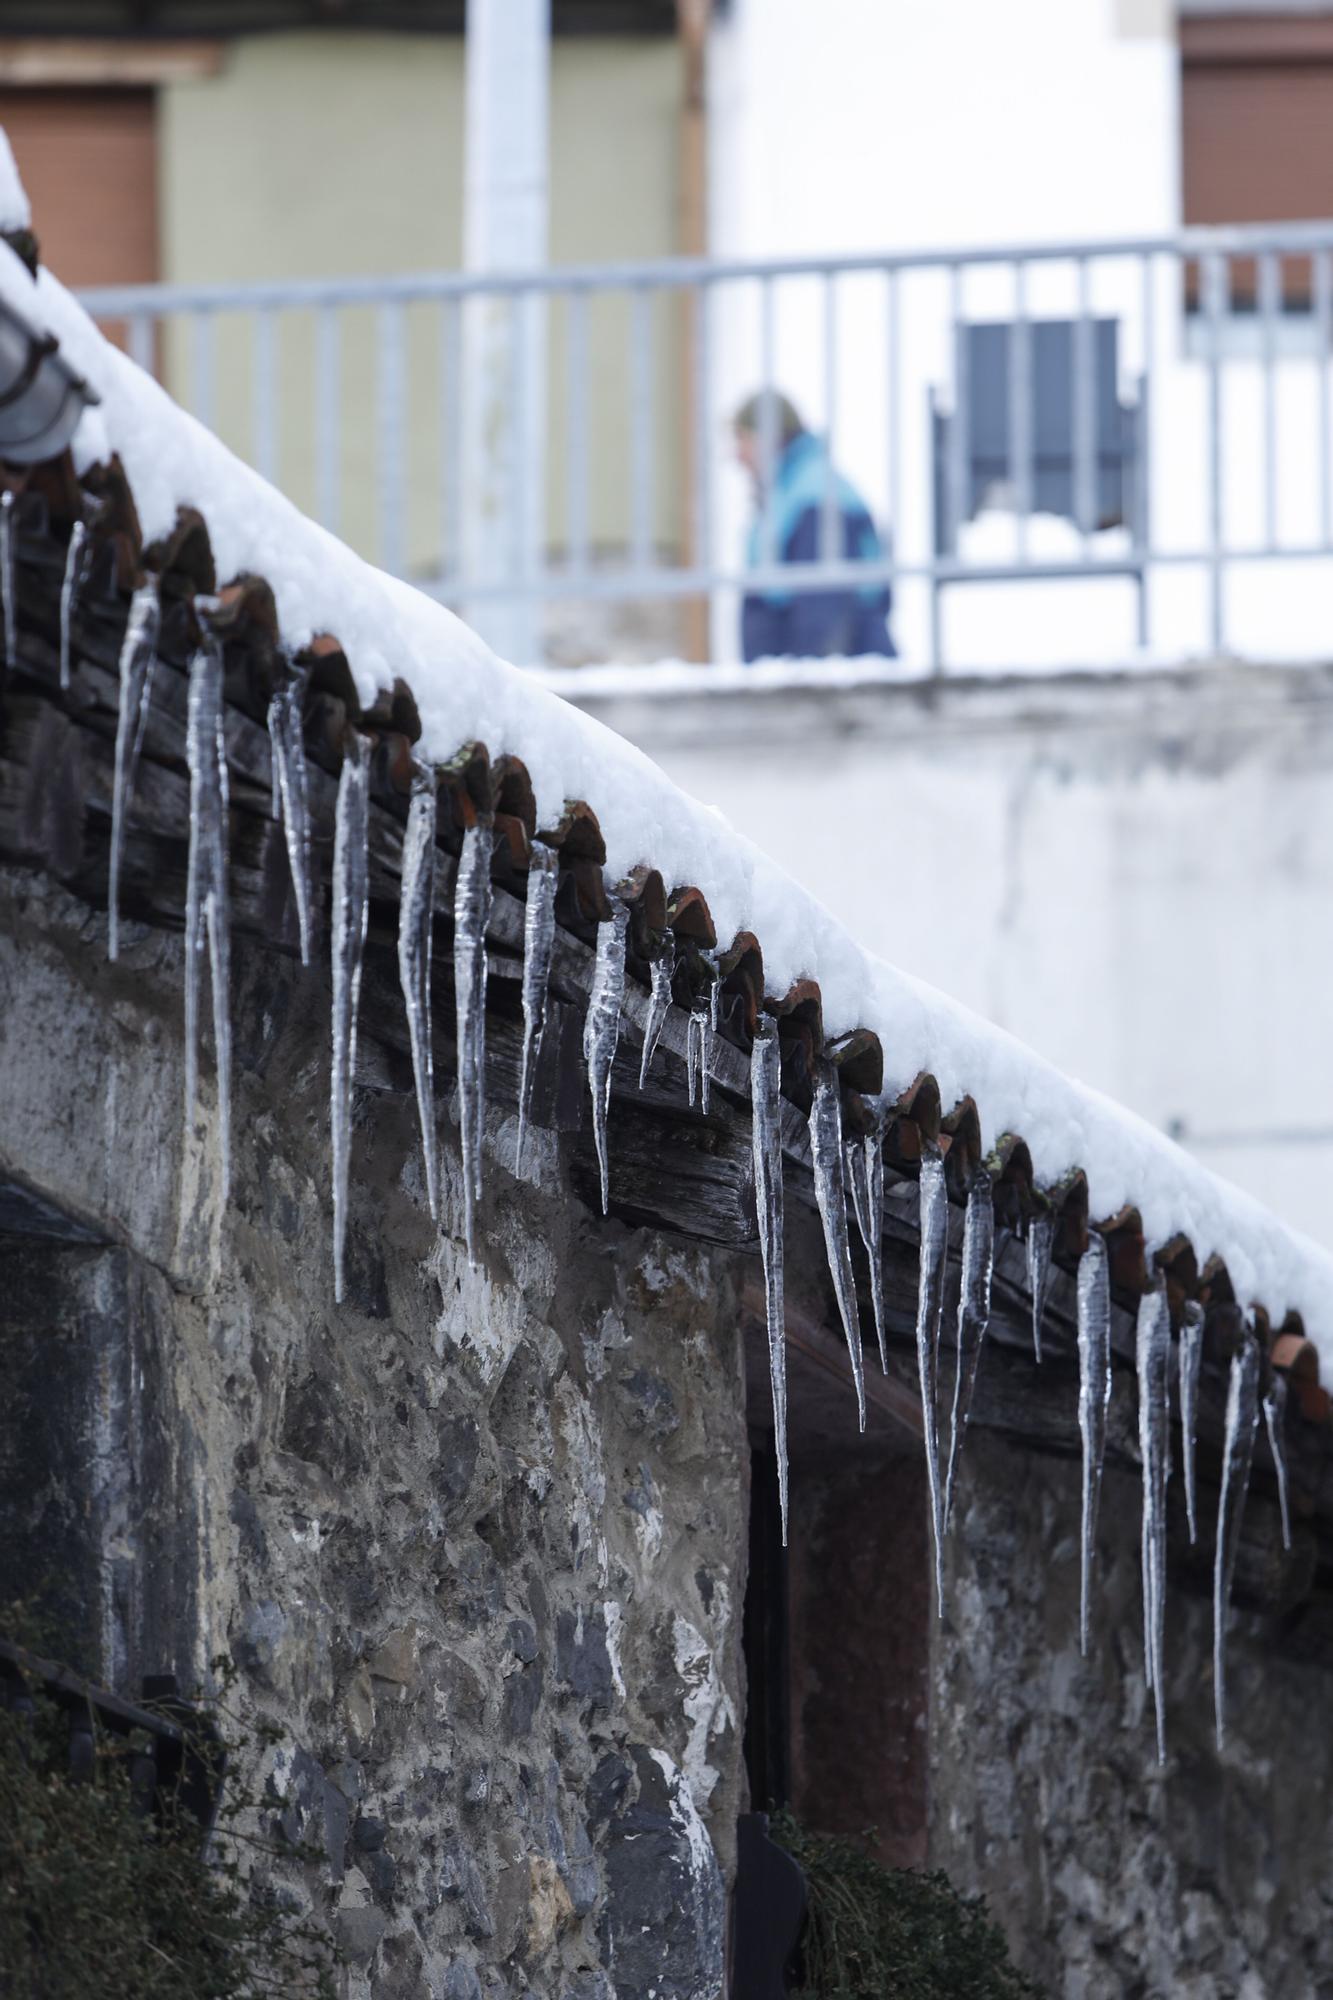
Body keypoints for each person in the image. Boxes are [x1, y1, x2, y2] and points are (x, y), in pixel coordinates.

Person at [733, 390, 895, 662]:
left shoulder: (814, 496)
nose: (737, 456)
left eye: (743, 440)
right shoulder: (789, 494)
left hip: (832, 691)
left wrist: (807, 692)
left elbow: (824, 613)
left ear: (769, 437)